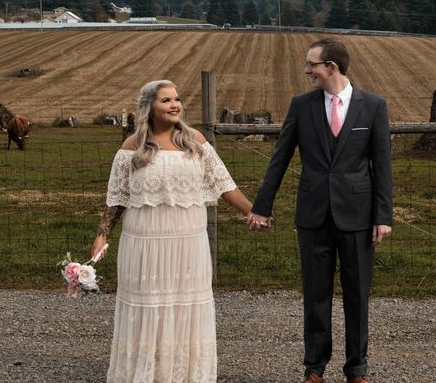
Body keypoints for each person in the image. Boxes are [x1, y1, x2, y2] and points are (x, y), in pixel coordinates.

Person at [91, 79, 265, 383]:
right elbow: (117, 198)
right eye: (166, 100)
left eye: (177, 99)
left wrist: (253, 211)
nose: (175, 105)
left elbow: (225, 185)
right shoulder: (132, 147)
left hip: (188, 241)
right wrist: (102, 234)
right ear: (149, 108)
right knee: (149, 308)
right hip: (144, 241)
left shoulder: (195, 141)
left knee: (186, 305)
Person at [250, 38, 393, 383]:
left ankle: (357, 368)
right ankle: (314, 368)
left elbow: (382, 165)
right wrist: (262, 206)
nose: (306, 70)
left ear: (332, 67)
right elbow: (280, 158)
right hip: (313, 215)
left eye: (311, 64)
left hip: (358, 216)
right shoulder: (301, 106)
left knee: (357, 295)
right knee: (316, 296)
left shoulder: (373, 106)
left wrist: (383, 216)